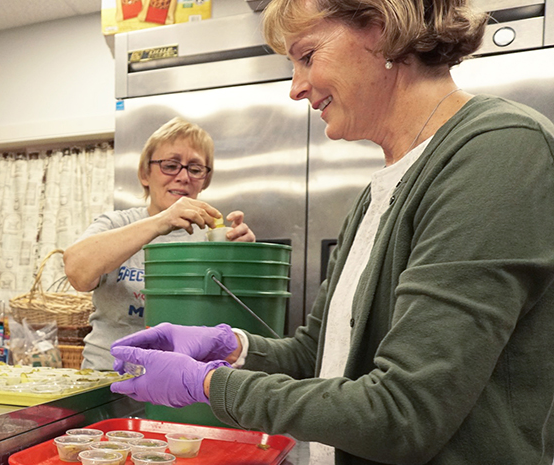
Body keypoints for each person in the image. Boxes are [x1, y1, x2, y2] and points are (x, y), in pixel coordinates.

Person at [110, 0, 554, 463]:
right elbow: (315, 355)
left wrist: (208, 384)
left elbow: (404, 414)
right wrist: (232, 347)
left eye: (307, 57)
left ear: (380, 30)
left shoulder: (498, 152)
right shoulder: (379, 192)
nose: (296, 89)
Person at [63, 117, 255, 371]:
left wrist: (248, 261)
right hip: (110, 377)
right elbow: (77, 272)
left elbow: (236, 327)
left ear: (205, 180)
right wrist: (160, 221)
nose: (183, 177)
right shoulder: (117, 224)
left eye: (195, 169)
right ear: (145, 174)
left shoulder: (215, 236)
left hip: (186, 384)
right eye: (170, 165)